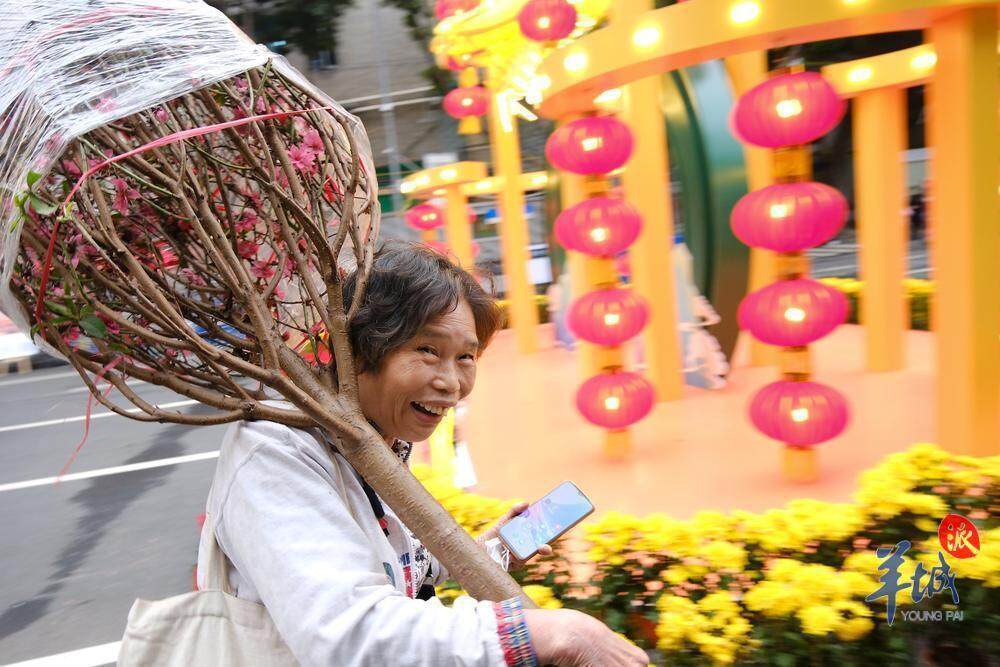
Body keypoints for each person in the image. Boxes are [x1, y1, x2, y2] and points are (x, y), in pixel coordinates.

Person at [197, 242, 648, 666]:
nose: (451, 383)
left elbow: (397, 564)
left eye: (466, 357)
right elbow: (348, 634)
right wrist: (546, 634)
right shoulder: (275, 450)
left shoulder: (378, 438)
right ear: (357, 350)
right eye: (428, 351)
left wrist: (494, 548)